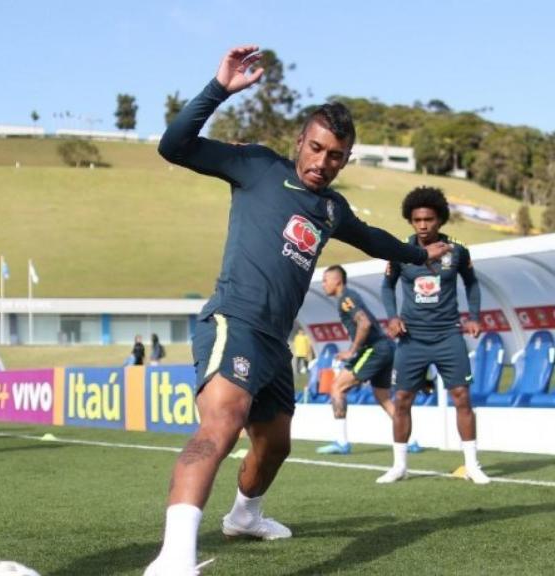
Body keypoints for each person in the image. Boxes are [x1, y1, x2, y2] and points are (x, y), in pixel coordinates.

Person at [144, 46, 451, 576]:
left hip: (275, 341)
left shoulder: (332, 209)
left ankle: (244, 516)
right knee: (221, 425)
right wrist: (219, 87)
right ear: (299, 142)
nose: (321, 162)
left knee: (277, 445)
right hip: (234, 320)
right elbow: (174, 146)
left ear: (346, 160)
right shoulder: (258, 166)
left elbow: (373, 238)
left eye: (335, 156)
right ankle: (174, 559)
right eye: (315, 148)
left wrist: (417, 253)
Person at [379, 186, 489, 485]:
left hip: (448, 336)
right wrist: (393, 317)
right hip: (411, 339)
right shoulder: (401, 252)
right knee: (401, 399)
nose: (423, 225)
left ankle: (472, 465)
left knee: (462, 397)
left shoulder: (458, 251)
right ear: (410, 221)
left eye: (429, 219)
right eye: (417, 220)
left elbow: (473, 285)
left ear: (440, 220)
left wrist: (475, 317)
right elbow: (387, 286)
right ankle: (399, 466)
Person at [315, 265, 421, 455]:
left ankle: (342, 442)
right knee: (384, 397)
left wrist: (351, 351)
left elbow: (364, 322)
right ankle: (411, 441)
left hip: (374, 349)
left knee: (337, 387)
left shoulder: (346, 298)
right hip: (386, 348)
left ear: (337, 281)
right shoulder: (349, 296)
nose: (323, 284)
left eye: (325, 280)